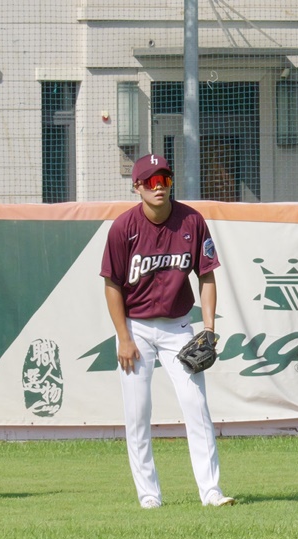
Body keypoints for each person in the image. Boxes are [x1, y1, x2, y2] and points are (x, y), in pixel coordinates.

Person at [100, 153, 234, 509]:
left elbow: (206, 275)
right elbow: (112, 286)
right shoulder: (123, 228)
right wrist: (123, 337)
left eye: (165, 180)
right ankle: (149, 496)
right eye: (152, 182)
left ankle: (211, 492)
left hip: (178, 328)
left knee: (196, 407)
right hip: (137, 328)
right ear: (138, 187)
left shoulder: (191, 220)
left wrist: (207, 327)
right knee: (138, 412)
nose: (160, 187)